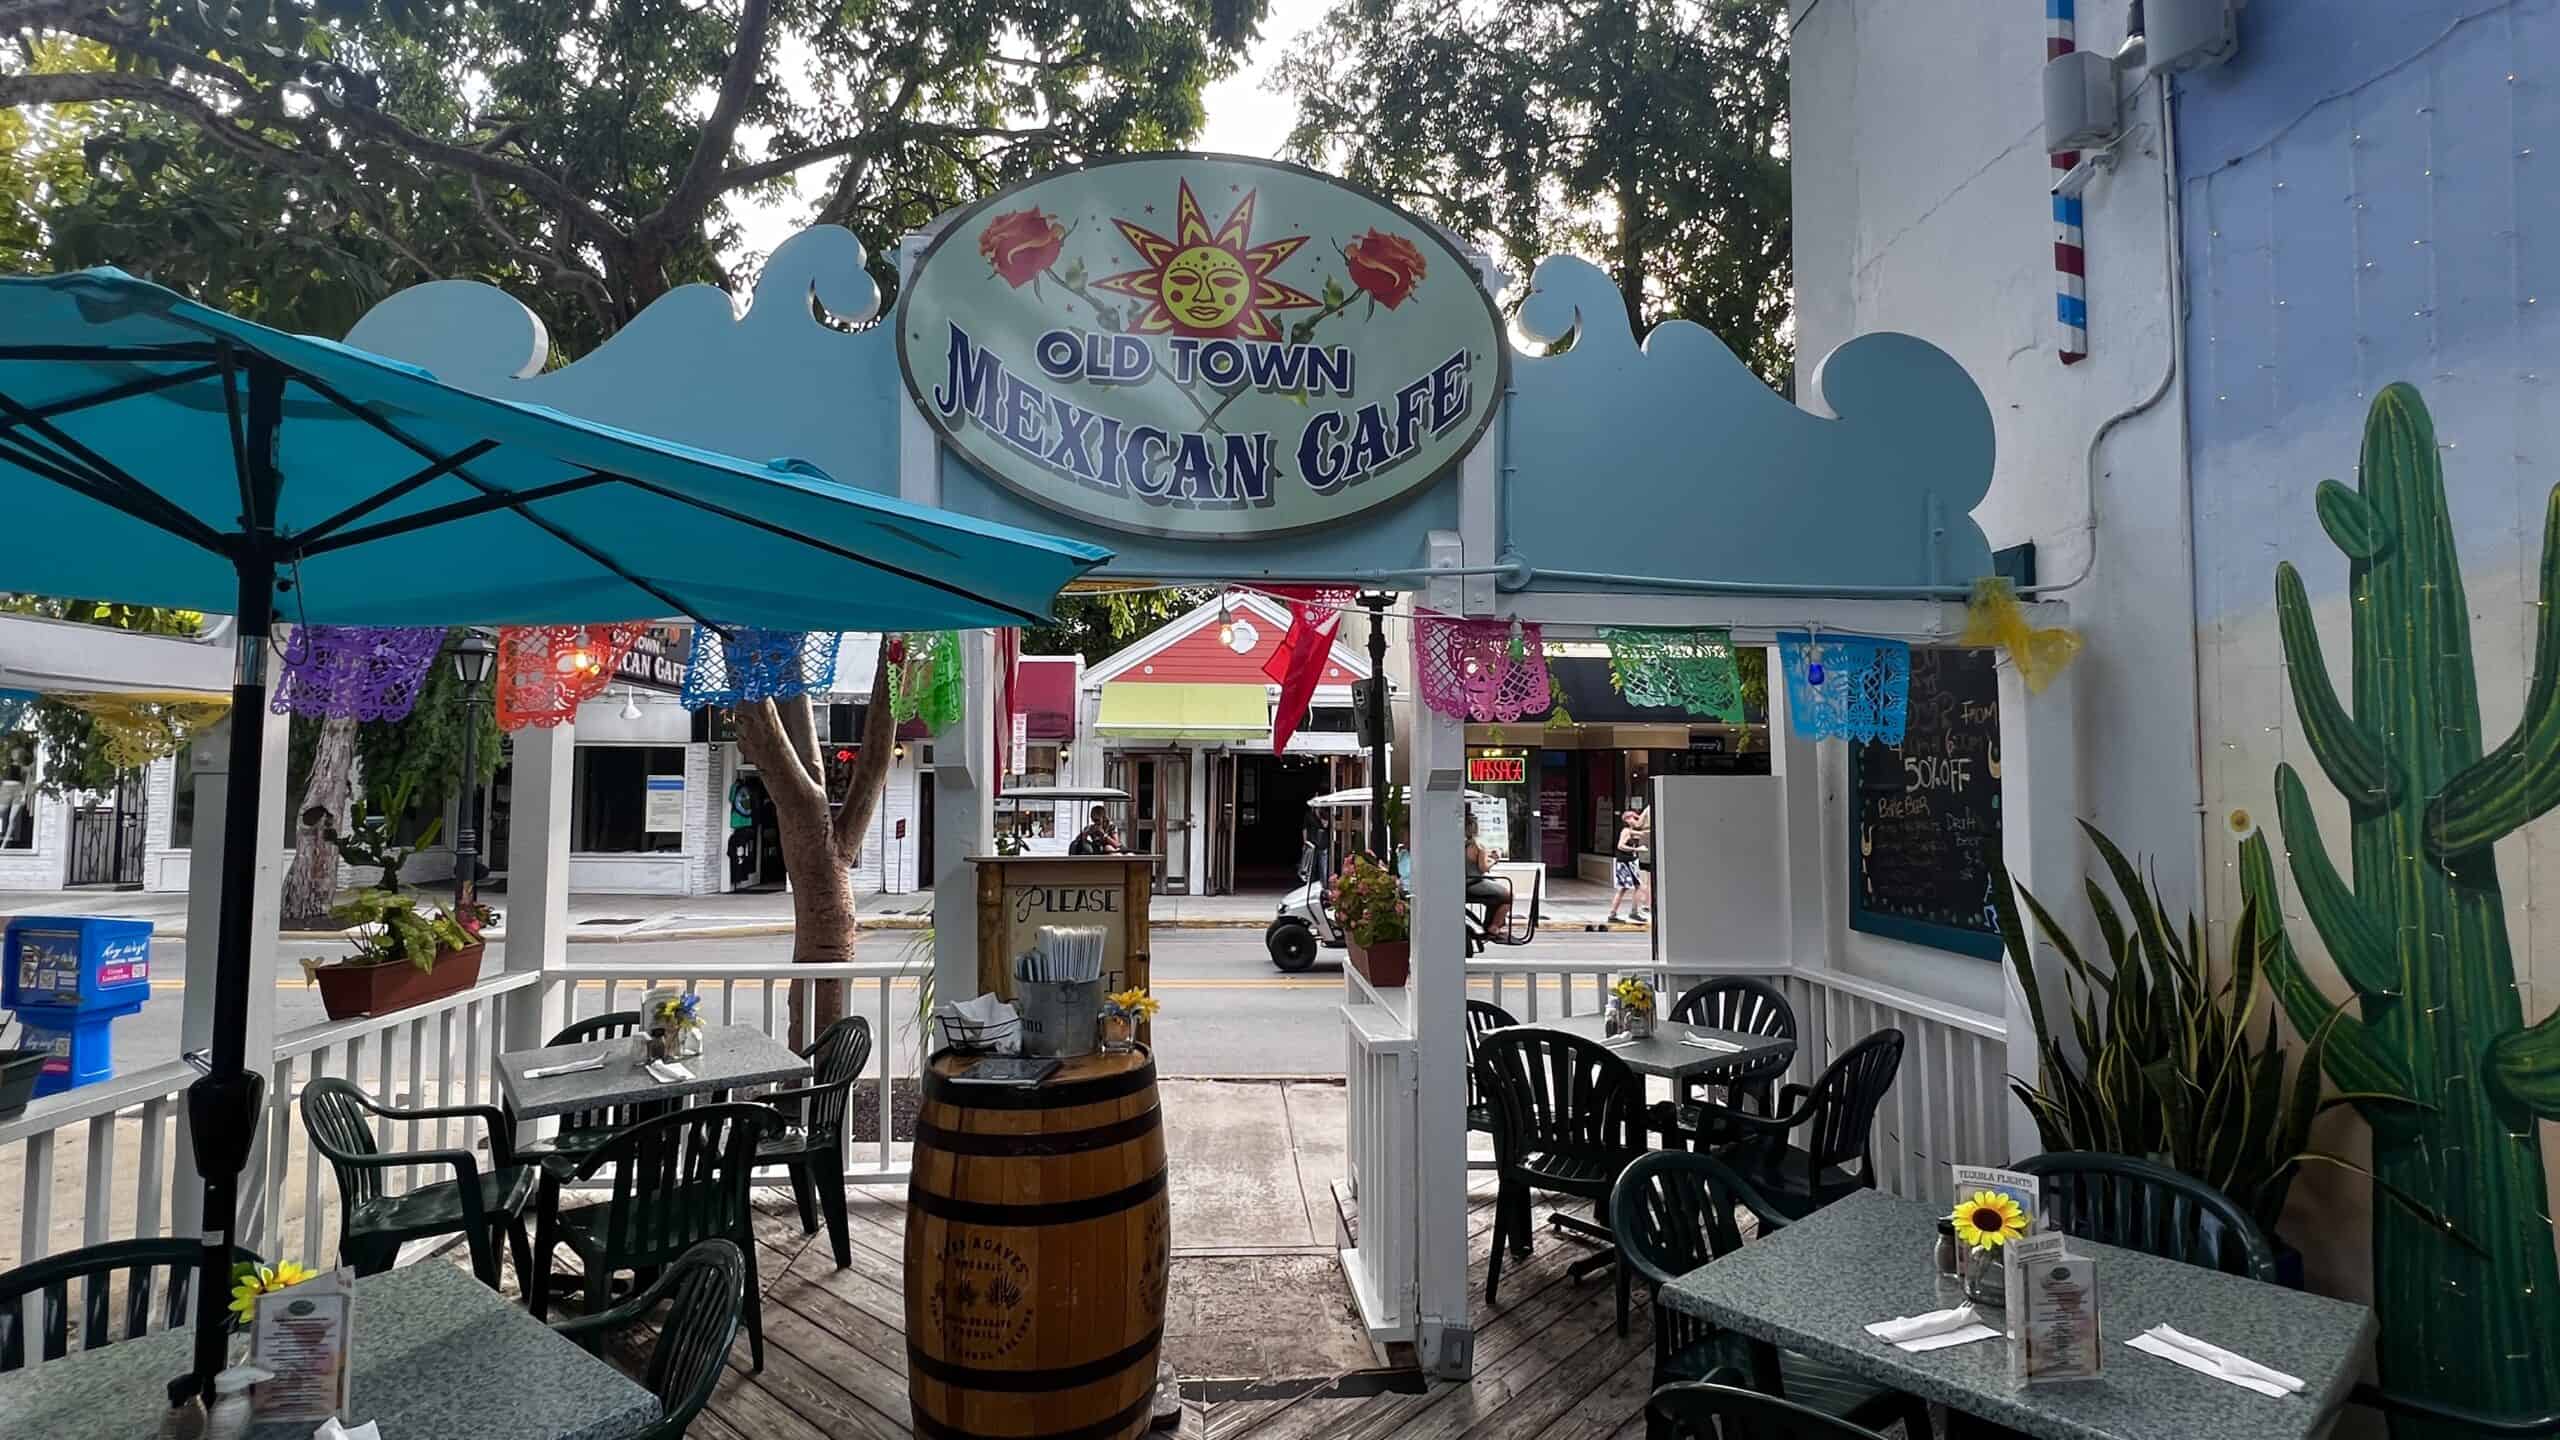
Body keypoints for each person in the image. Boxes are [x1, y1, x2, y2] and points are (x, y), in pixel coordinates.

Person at [1465, 813, 1511, 935]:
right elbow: (1483, 868)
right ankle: (1494, 926)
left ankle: (1489, 924)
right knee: (1508, 896)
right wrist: (1494, 860)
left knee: (1496, 894)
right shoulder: (1478, 845)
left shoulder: (1457, 844)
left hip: (1464, 883)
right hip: (1473, 883)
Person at [1606, 808, 1647, 924]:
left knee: (1635, 887)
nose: (1636, 820)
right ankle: (1616, 914)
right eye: (1634, 818)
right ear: (1628, 819)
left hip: (1629, 862)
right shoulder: (1626, 831)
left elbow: (1643, 833)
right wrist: (1636, 849)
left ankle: (1631, 912)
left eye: (1636, 818)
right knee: (1625, 888)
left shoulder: (1631, 830)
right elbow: (1620, 846)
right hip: (1625, 862)